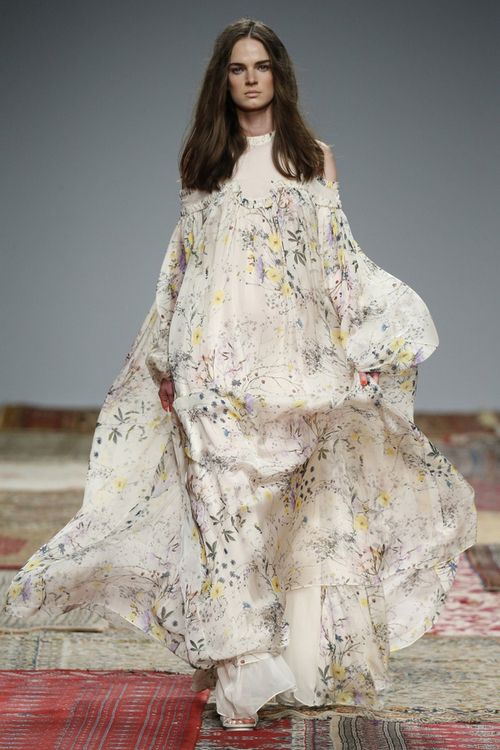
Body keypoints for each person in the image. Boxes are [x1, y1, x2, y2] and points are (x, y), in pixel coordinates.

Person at [2, 17, 477, 732]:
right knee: (217, 518)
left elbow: (336, 263)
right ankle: (241, 671)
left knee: (276, 521)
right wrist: (166, 359)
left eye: (261, 66)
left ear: (279, 74)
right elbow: (181, 268)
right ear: (221, 80)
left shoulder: (312, 160)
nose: (250, 79)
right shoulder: (204, 161)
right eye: (236, 68)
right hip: (207, 365)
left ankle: (262, 659)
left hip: (287, 370)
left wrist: (363, 347)